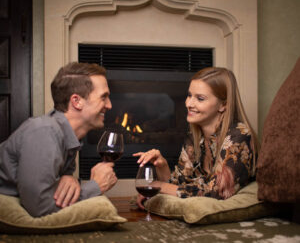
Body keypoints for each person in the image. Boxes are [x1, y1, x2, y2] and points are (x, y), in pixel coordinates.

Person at [0, 62, 117, 217]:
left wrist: (68, 177)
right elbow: (39, 207)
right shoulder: (44, 132)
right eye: (104, 97)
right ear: (77, 101)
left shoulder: (69, 136)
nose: (109, 105)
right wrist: (95, 186)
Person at [134, 67, 259, 209]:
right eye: (189, 95)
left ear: (223, 105)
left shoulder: (239, 136)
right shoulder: (195, 135)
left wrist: (158, 186)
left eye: (200, 98)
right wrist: (162, 166)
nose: (189, 104)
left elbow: (217, 192)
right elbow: (180, 186)